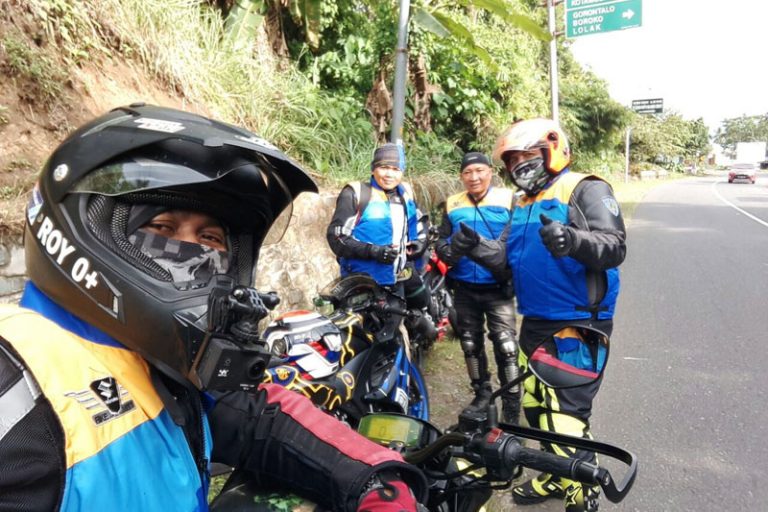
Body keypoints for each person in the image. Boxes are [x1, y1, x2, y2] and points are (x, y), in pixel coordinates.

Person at [0, 105, 426, 511]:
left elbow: (258, 418)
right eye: (161, 227)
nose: (192, 253)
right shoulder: (18, 378)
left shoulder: (165, 363)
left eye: (210, 239)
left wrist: (375, 480)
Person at [453, 119, 626, 512]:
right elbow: (506, 258)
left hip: (578, 322)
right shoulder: (523, 202)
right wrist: (475, 246)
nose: (518, 165)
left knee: (566, 416)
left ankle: (583, 493)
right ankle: (557, 475)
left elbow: (614, 245)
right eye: (512, 160)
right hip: (534, 320)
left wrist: (572, 240)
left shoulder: (585, 188)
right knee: (536, 406)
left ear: (552, 148)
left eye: (526, 155)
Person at [433, 152, 520, 423]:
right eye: (468, 172)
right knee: (470, 344)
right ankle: (482, 394)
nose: (474, 177)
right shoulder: (452, 203)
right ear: (461, 176)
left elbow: (515, 241)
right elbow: (441, 241)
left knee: (506, 346)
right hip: (464, 288)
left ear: (490, 172)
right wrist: (449, 250)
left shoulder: (509, 199)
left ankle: (511, 403)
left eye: (480, 170)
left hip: (498, 287)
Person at [326, 143, 433, 339]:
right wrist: (373, 251)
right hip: (361, 286)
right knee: (359, 340)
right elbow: (337, 237)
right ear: (373, 168)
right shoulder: (356, 194)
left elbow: (419, 223)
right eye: (383, 167)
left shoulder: (405, 194)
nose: (389, 174)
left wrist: (420, 243)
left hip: (395, 283)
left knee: (392, 337)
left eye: (395, 169)